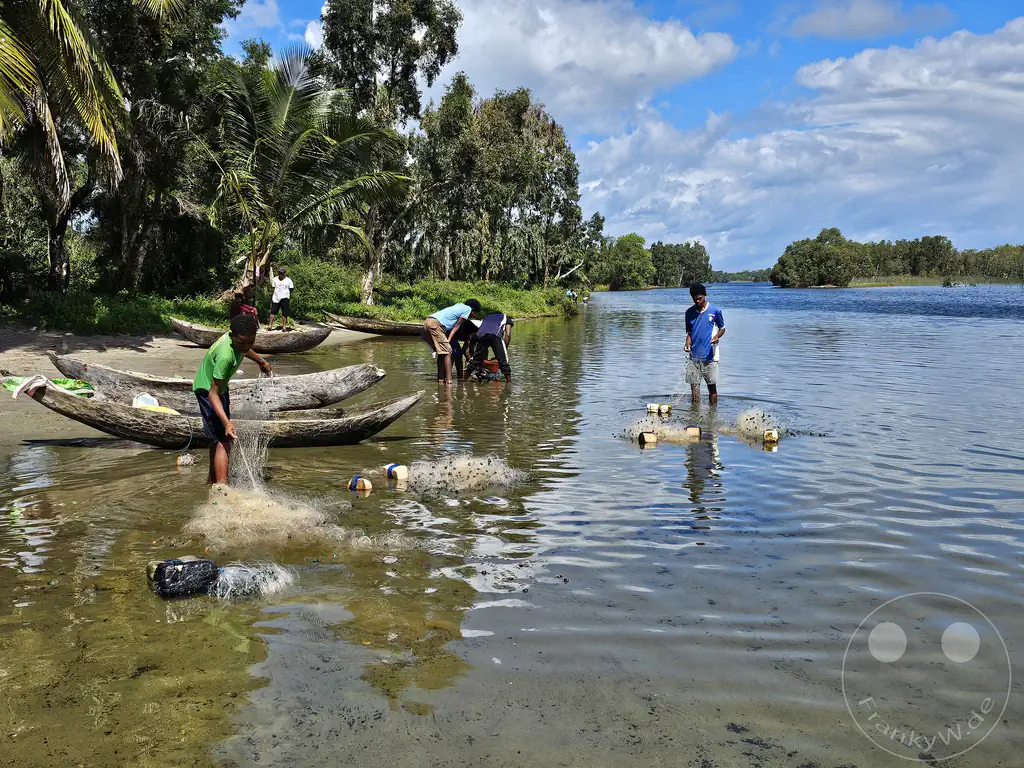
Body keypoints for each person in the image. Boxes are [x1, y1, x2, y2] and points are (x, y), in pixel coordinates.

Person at [193, 314, 272, 485]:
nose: (246, 347)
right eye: (241, 342)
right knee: (224, 439)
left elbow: (243, 348)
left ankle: (211, 481)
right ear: (232, 335)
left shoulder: (236, 341)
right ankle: (223, 489)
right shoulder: (225, 357)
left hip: (218, 389)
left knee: (217, 438)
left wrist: (260, 361)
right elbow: (212, 394)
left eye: (250, 342)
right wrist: (227, 422)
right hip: (208, 391)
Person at [684, 283, 725, 405]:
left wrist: (716, 337)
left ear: (705, 295)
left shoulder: (715, 311)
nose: (698, 302)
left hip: (710, 356)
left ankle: (713, 414)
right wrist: (687, 344)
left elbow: (722, 328)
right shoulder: (689, 313)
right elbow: (690, 333)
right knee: (694, 388)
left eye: (700, 299)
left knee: (711, 388)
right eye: (695, 299)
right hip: (693, 357)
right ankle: (695, 413)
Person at [421, 299, 481, 384]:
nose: (474, 315)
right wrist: (448, 340)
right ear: (473, 309)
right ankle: (449, 381)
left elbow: (466, 350)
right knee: (448, 351)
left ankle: (441, 379)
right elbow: (456, 326)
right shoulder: (467, 310)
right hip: (437, 326)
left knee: (443, 353)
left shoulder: (458, 306)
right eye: (475, 313)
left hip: (427, 322)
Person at [465, 311, 514, 384]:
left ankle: (463, 381)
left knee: (474, 361)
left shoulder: (486, 318)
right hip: (496, 336)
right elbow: (508, 334)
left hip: (482, 336)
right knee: (504, 362)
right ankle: (509, 384)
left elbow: (478, 333)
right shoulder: (505, 317)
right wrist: (504, 350)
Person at [267, 267, 294, 332]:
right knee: (272, 312)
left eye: (282, 273)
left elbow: (291, 289)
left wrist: (286, 294)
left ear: (284, 273)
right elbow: (273, 287)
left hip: (285, 298)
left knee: (284, 313)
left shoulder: (288, 280)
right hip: (276, 298)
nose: (280, 274)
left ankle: (284, 327)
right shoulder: (275, 279)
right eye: (279, 273)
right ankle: (270, 326)